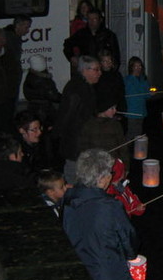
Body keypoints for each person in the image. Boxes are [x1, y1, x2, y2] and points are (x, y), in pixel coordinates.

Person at [63, 148, 138, 280]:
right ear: (102, 178)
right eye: (109, 173)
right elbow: (128, 239)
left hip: (79, 268)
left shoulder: (68, 199)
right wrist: (131, 255)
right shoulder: (109, 206)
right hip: (107, 272)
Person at [54, 55, 100, 184]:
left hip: (82, 138)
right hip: (75, 140)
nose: (99, 73)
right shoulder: (76, 88)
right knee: (73, 172)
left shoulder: (86, 87)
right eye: (96, 70)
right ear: (85, 70)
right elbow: (67, 114)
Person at [78, 91, 130, 173]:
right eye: (112, 108)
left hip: (113, 164)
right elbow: (84, 147)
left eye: (115, 107)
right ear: (103, 109)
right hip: (95, 166)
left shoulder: (115, 124)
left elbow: (122, 147)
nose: (115, 111)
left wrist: (125, 167)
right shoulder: (89, 125)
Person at [23, 54, 61, 129]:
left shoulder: (31, 76)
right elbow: (54, 96)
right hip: (44, 110)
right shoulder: (43, 81)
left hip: (33, 107)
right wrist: (65, 98)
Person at [96, 49, 127, 132]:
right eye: (105, 61)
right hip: (102, 113)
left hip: (116, 111)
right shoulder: (97, 77)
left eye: (109, 60)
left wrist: (121, 111)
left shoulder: (117, 75)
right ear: (100, 63)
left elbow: (121, 94)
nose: (108, 63)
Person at [123, 56, 152, 140]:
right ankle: (123, 150)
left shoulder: (143, 79)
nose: (138, 68)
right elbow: (135, 94)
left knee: (138, 134)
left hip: (141, 111)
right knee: (131, 133)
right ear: (131, 67)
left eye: (140, 66)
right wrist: (146, 93)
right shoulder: (128, 80)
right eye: (136, 66)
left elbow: (146, 94)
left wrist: (151, 93)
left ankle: (136, 151)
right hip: (132, 111)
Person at [4, 14, 32, 91]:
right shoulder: (10, 39)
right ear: (18, 25)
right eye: (26, 27)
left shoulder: (11, 37)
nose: (28, 31)